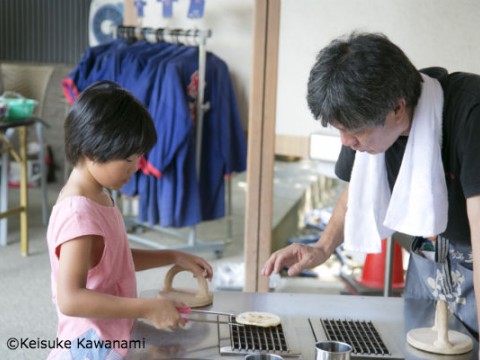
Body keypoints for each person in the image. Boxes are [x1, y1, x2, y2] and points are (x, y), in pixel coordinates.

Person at [262, 32, 480, 341]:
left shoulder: (471, 113)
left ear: (397, 109)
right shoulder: (363, 120)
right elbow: (357, 191)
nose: (346, 142)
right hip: (430, 261)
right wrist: (323, 247)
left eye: (354, 132)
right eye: (339, 130)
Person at [47, 81, 213, 360]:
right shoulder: (78, 214)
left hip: (111, 333)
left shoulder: (98, 195)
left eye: (138, 157)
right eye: (127, 158)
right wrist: (146, 307)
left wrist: (172, 255)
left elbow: (113, 261)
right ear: (91, 151)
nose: (135, 167)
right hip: (92, 344)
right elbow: (70, 299)